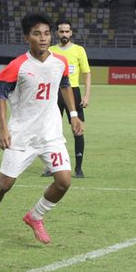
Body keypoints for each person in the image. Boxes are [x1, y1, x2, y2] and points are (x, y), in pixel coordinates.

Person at [0, 12, 84, 249]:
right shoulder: (18, 66)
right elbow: (0, 95)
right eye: (36, 34)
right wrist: (3, 129)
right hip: (21, 135)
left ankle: (35, 217)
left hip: (50, 134)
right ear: (27, 37)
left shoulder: (59, 62)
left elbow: (65, 86)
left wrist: (73, 115)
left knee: (63, 182)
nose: (43, 38)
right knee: (4, 185)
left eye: (45, 33)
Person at [43, 19, 91, 178]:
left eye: (67, 31)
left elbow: (87, 73)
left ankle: (78, 169)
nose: (64, 34)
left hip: (74, 92)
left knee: (77, 130)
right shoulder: (50, 50)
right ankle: (51, 167)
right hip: (54, 93)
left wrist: (86, 95)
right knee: (51, 130)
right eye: (61, 31)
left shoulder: (79, 50)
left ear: (71, 33)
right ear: (57, 33)